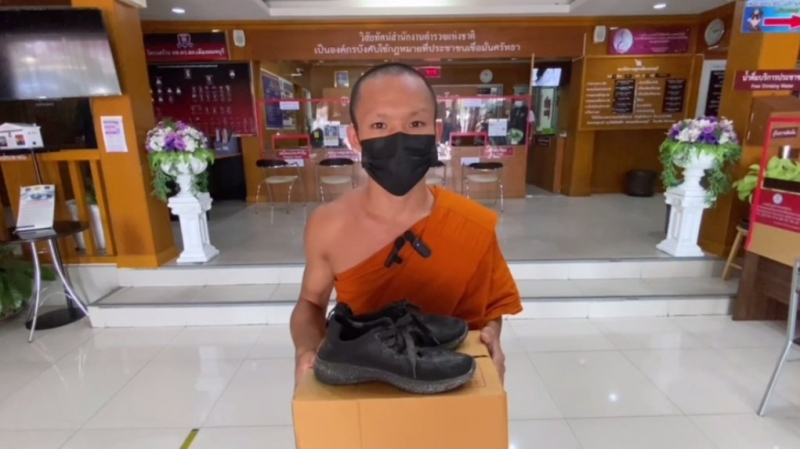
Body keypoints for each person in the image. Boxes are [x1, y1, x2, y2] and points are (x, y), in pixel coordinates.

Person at [290, 62, 522, 387]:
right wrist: (305, 349)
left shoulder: (473, 224)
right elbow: (311, 303)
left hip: (453, 382)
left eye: (415, 123)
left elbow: (489, 311)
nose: (398, 138)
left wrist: (491, 337)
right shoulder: (328, 225)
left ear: (435, 133)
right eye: (379, 124)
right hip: (361, 389)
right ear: (355, 138)